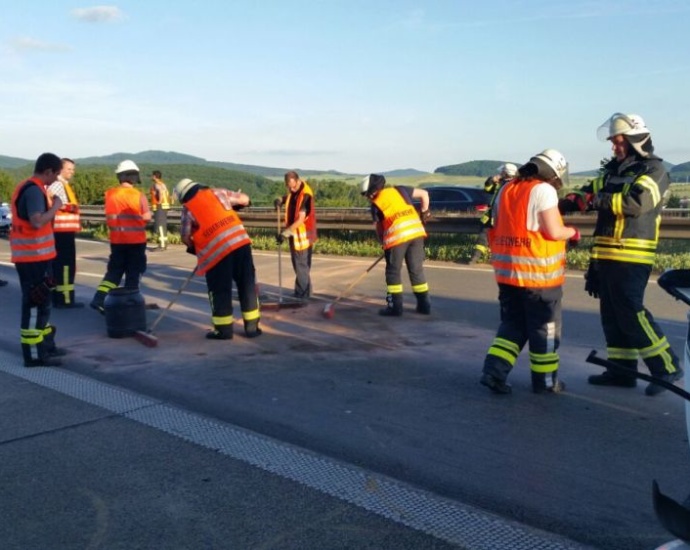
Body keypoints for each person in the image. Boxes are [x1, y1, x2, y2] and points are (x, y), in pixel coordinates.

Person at [561, 113, 684, 396]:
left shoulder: (654, 171)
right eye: (613, 143)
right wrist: (567, 202)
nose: (614, 148)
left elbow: (636, 202)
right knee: (612, 313)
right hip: (606, 254)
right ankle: (621, 370)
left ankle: (666, 365)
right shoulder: (615, 171)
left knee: (630, 311)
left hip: (631, 255)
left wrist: (595, 200)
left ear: (634, 141)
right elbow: (587, 192)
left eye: (618, 142)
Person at [480, 149, 579, 395]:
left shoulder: (506, 188)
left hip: (508, 273)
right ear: (552, 173)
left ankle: (494, 372)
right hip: (538, 276)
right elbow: (554, 231)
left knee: (512, 325)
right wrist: (573, 232)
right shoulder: (543, 190)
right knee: (544, 330)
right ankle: (545, 382)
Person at [175, 178, 262, 339]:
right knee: (247, 285)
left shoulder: (188, 208)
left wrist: (194, 248)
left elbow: (185, 236)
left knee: (219, 290)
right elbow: (245, 199)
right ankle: (252, 328)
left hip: (217, 254)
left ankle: (223, 330)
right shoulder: (218, 192)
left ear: (183, 196)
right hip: (240, 243)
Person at [10, 153, 66, 367]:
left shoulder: (32, 188)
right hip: (32, 259)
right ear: (48, 171)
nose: (57, 179)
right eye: (56, 174)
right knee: (34, 306)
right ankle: (34, 355)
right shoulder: (33, 191)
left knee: (42, 305)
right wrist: (56, 206)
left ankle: (45, 347)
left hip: (37, 258)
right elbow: (36, 221)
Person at [361, 174, 431, 316]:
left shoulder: (376, 205)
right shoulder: (400, 190)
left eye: (366, 194)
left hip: (397, 239)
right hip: (417, 234)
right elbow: (424, 194)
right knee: (416, 271)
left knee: (393, 273)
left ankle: (396, 308)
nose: (367, 197)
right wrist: (424, 212)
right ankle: (424, 306)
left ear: (372, 191)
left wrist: (385, 244)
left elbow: (380, 230)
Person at [90, 160, 152, 313]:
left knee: (114, 272)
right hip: (136, 241)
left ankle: (100, 298)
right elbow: (146, 217)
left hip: (117, 240)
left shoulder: (111, 194)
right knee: (133, 273)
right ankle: (131, 304)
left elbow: (110, 217)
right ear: (134, 177)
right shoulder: (138, 195)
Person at [47, 158, 84, 308]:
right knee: (65, 266)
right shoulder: (57, 184)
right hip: (62, 231)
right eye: (69, 169)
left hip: (63, 230)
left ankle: (58, 297)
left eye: (73, 170)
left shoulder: (63, 184)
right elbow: (48, 196)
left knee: (60, 266)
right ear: (60, 169)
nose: (72, 172)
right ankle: (65, 299)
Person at [274, 171, 317, 300]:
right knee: (298, 266)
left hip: (302, 237)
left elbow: (300, 220)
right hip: (294, 236)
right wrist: (280, 200)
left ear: (298, 181)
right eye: (289, 187)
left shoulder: (306, 195)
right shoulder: (294, 192)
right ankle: (302, 292)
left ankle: (303, 296)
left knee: (301, 266)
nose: (291, 189)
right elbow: (289, 199)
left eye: (293, 186)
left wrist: (285, 234)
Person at [469, 162, 517, 265]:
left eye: (502, 172)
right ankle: (475, 257)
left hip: (503, 217)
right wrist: (491, 180)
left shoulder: (514, 185)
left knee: (501, 239)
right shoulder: (499, 183)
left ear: (505, 173)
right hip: (492, 216)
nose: (500, 174)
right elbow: (487, 189)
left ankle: (497, 259)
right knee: (483, 237)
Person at [149, 170, 171, 251]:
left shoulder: (157, 184)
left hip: (160, 206)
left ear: (155, 176)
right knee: (163, 225)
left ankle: (162, 245)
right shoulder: (163, 184)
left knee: (160, 225)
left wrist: (159, 202)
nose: (151, 177)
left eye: (152, 176)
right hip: (164, 206)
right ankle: (163, 244)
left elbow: (160, 192)